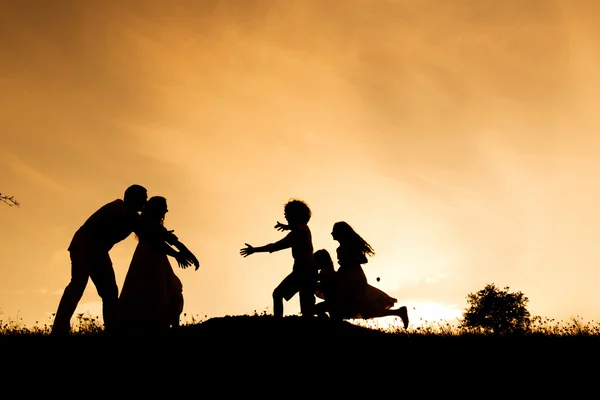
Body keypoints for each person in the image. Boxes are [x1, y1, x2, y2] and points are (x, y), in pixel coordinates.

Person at [51, 185, 197, 336]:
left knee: (109, 291)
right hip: (83, 247)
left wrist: (181, 249)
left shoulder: (131, 215)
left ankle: (112, 329)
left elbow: (154, 234)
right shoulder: (120, 210)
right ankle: (59, 329)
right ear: (133, 198)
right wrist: (178, 252)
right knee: (78, 286)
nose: (145, 202)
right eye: (143, 198)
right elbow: (152, 235)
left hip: (99, 252)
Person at [118, 196, 200, 335]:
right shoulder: (144, 224)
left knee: (168, 290)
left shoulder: (156, 225)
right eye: (164, 207)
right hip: (147, 261)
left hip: (158, 261)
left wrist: (191, 256)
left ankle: (170, 326)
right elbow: (157, 243)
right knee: (150, 293)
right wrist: (177, 255)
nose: (166, 210)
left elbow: (173, 241)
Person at [240, 199, 317, 318]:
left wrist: (287, 227)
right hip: (302, 270)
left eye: (288, 214)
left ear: (296, 215)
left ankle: (278, 323)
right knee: (304, 306)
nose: (286, 217)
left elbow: (298, 229)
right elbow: (275, 246)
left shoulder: (303, 229)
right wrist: (255, 250)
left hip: (305, 270)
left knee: (283, 296)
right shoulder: (294, 235)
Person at [330, 221, 409, 328]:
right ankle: (399, 312)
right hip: (347, 276)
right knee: (362, 307)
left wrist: (349, 262)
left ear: (340, 233)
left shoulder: (349, 247)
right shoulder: (341, 248)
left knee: (361, 305)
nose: (331, 233)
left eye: (334, 231)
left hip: (354, 278)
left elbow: (363, 259)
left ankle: (336, 324)